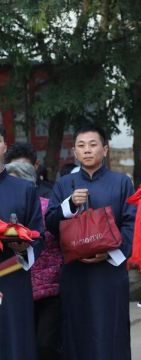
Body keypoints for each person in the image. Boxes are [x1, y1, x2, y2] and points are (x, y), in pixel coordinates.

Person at [45, 124, 136, 359]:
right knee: (77, 331)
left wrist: (111, 254)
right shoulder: (64, 185)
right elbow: (51, 225)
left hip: (110, 272)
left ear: (105, 150)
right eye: (81, 146)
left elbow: (132, 224)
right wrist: (70, 205)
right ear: (75, 152)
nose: (87, 150)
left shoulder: (122, 183)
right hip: (76, 272)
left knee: (111, 330)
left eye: (93, 145)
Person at [5, 144, 63, 359]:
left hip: (40, 289)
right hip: (20, 288)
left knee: (40, 345)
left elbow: (49, 240)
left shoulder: (43, 203)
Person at [0, 125, 45, 360]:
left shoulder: (24, 189)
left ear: (4, 147)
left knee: (16, 344)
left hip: (13, 277)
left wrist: (23, 248)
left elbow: (39, 234)